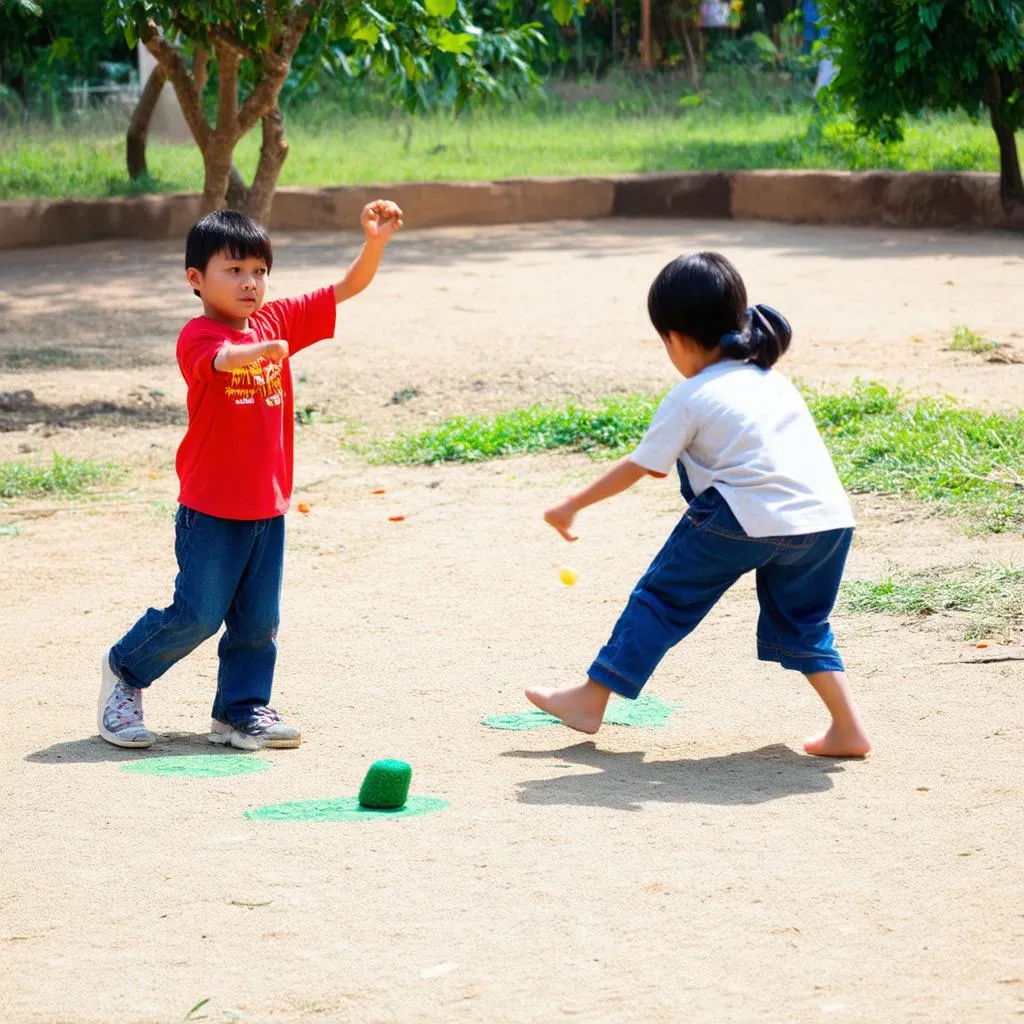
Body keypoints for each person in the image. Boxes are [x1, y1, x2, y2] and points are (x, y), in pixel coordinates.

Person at [529, 251, 871, 757]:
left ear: (676, 337)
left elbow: (642, 465)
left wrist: (571, 505)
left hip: (740, 515)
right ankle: (848, 728)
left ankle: (591, 698)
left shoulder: (691, 395)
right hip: (826, 522)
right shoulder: (772, 381)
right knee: (804, 622)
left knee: (662, 600)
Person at [98, 200, 403, 751]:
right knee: (197, 614)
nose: (250, 283)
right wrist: (263, 348)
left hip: (267, 505)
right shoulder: (198, 335)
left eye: (259, 271)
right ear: (197, 278)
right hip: (211, 507)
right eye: (233, 270)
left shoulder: (275, 319)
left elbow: (344, 289)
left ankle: (241, 710)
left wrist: (374, 244)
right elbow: (225, 361)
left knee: (258, 622)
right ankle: (125, 671)